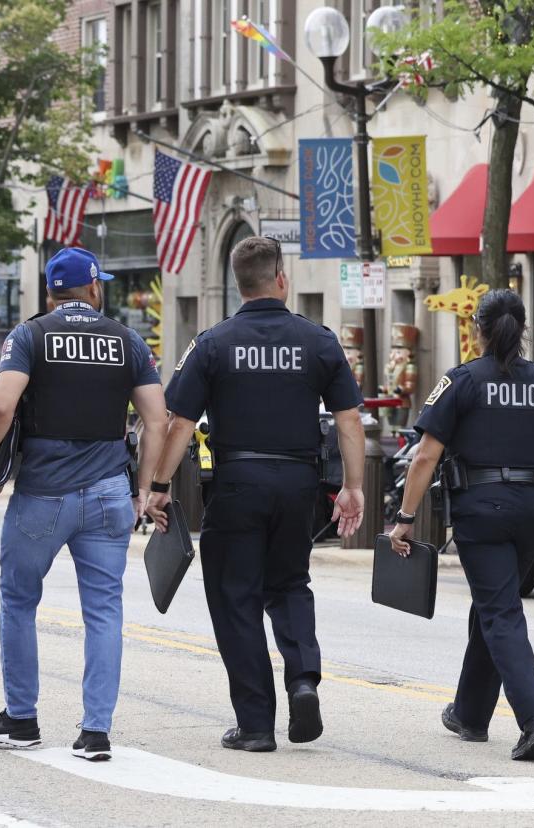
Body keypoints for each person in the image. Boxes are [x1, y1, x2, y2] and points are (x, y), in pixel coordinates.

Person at [146, 235, 366, 753]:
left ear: (237, 284)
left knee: (234, 597)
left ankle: (255, 725)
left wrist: (157, 487)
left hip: (237, 484)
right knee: (289, 583)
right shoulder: (319, 341)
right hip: (298, 484)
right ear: (281, 278)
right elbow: (350, 420)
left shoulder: (213, 343)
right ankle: (303, 677)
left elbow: (180, 423)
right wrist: (352, 487)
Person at [388, 288, 534, 761]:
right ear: (522, 331)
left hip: (482, 513)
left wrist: (405, 519)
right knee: (494, 605)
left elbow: (426, 457)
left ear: (479, 331)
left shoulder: (461, 381)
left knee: (500, 613)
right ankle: (470, 715)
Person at [0, 247, 167, 762]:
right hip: (107, 494)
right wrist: (143, 486)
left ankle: (22, 719)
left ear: (51, 291)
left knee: (18, 601)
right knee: (104, 612)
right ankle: (96, 731)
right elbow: (158, 420)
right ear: (95, 288)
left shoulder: (29, 336)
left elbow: (1, 407)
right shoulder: (127, 340)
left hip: (43, 494)